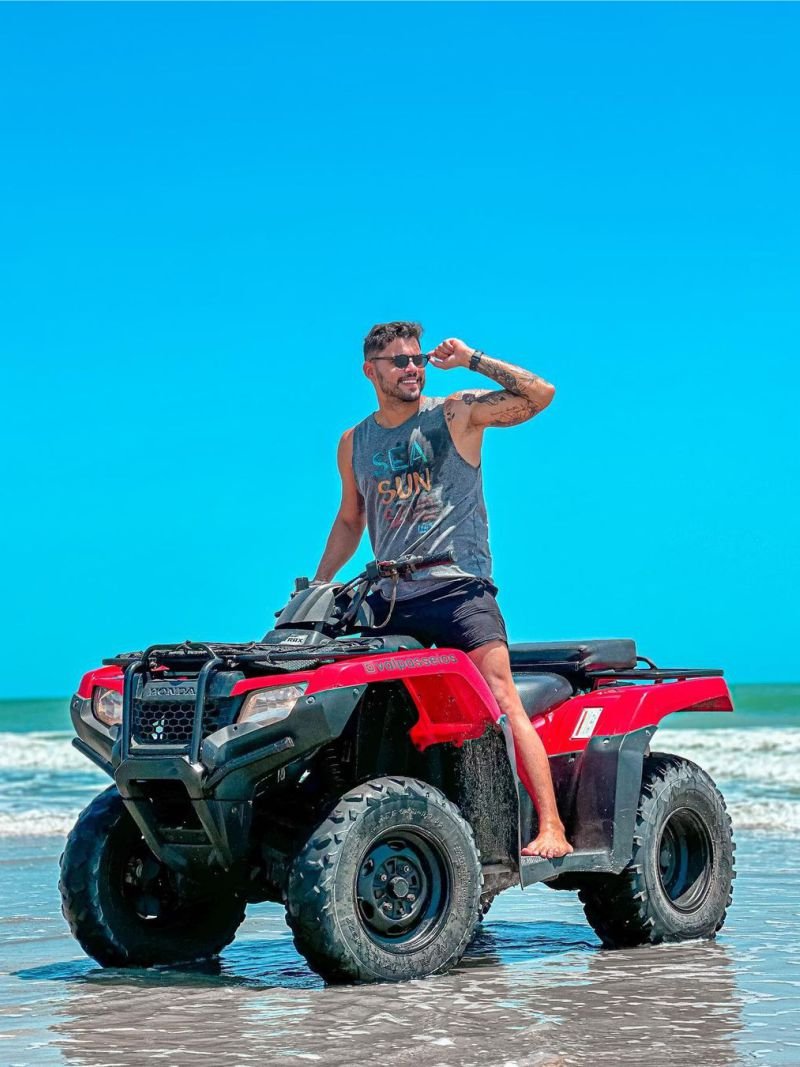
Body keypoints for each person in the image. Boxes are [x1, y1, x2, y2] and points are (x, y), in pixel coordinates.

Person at [313, 321, 572, 859]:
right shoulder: (354, 442)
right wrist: (318, 585)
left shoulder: (455, 413)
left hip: (458, 590)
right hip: (390, 599)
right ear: (370, 371)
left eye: (418, 359)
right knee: (358, 704)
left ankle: (551, 826)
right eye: (399, 361)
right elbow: (351, 519)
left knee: (501, 696)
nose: (412, 368)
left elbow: (540, 395)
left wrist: (472, 358)